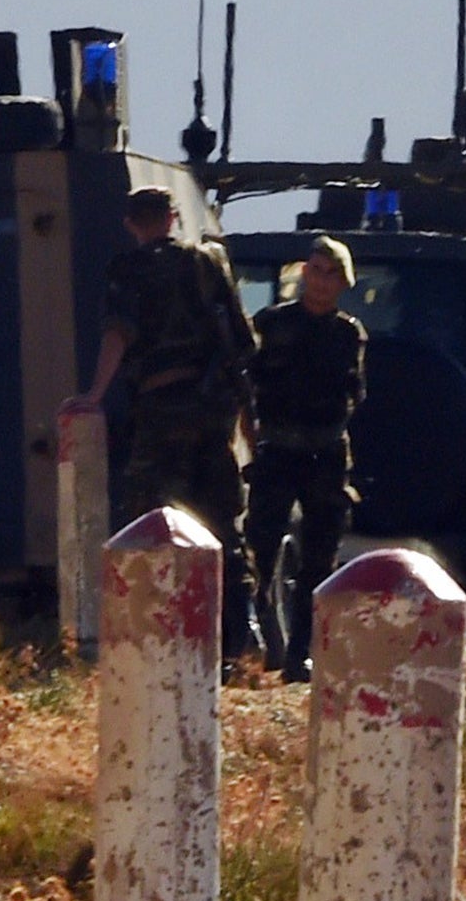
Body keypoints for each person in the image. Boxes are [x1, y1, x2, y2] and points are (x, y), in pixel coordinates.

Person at [81, 184, 260, 663]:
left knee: (151, 523)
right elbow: (243, 345)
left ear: (130, 223)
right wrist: (247, 424)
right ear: (174, 217)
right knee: (223, 524)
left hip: (162, 411)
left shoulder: (130, 269)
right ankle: (236, 641)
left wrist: (94, 395)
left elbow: (119, 332)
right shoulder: (208, 264)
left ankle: (158, 639)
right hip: (212, 412)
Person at [243, 236, 368, 682]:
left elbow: (354, 398)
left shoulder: (347, 334)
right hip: (277, 447)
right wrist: (251, 439)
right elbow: (246, 387)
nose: (320, 280)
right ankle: (253, 645)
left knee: (319, 557)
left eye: (330, 272)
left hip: (325, 451)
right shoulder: (272, 324)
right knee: (258, 549)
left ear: (343, 281)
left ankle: (301, 654)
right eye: (314, 270)